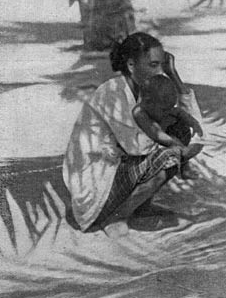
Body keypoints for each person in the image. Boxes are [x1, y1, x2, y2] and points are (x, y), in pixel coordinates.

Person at [62, 33, 204, 237]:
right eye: (153, 65)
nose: (159, 72)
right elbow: (138, 147)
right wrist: (182, 150)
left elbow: (192, 125)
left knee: (179, 132)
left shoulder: (147, 91)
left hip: (118, 167)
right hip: (95, 185)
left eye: (161, 65)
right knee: (169, 154)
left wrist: (173, 74)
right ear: (131, 66)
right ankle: (114, 218)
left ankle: (139, 209)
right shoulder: (113, 92)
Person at [132, 74, 204, 178]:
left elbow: (178, 111)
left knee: (181, 127)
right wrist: (178, 146)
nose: (168, 112)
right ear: (147, 102)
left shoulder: (156, 105)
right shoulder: (139, 113)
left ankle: (184, 165)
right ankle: (179, 158)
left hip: (164, 134)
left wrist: (194, 123)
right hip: (145, 144)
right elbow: (157, 135)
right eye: (164, 110)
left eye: (169, 108)